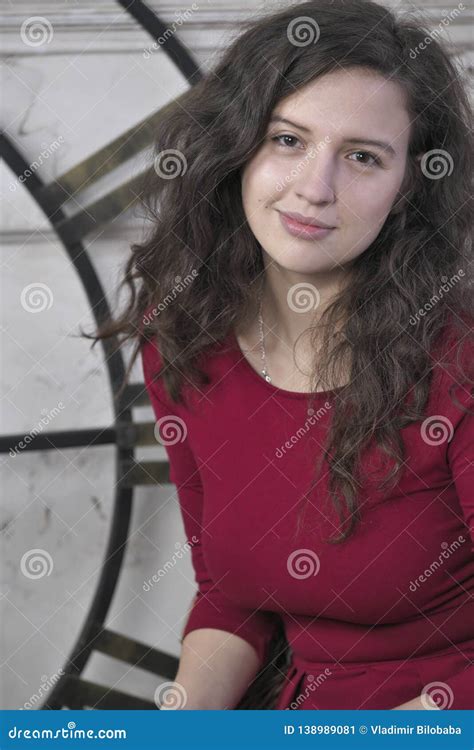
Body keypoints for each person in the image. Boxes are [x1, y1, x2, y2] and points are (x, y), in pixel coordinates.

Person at [86, 0, 473, 709]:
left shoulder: (461, 359)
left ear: (409, 183)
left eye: (362, 157)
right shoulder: (182, 335)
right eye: (288, 140)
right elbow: (232, 598)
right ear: (237, 144)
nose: (314, 189)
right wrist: (184, 722)